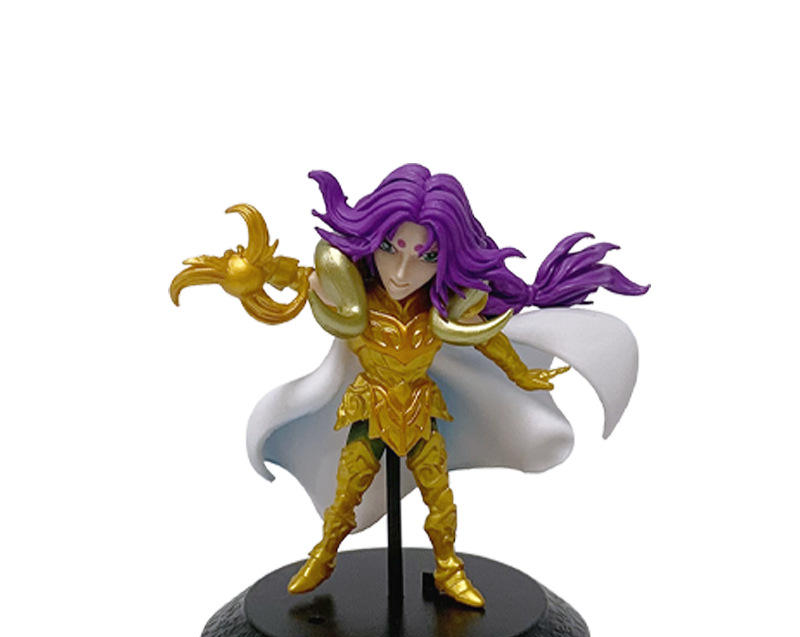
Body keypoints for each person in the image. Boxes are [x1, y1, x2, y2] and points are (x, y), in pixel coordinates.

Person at [171, 164, 648, 608]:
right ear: (371, 241)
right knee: (347, 494)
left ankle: (448, 569)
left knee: (439, 497)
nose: (401, 272)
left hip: (420, 409)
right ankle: (324, 556)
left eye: (426, 257)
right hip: (370, 407)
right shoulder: (354, 298)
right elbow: (298, 276)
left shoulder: (444, 309)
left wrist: (522, 375)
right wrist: (255, 273)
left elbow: (489, 339)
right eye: (390, 249)